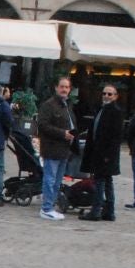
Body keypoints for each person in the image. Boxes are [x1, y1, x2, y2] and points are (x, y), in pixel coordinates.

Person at [79, 82, 124, 220]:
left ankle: (97, 210)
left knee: (100, 181)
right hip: (98, 152)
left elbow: (116, 136)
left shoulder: (115, 111)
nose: (106, 96)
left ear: (115, 96)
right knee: (106, 181)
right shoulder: (101, 109)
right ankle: (109, 211)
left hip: (105, 154)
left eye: (110, 94)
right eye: (104, 93)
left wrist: (108, 155)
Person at [35, 75, 76, 220]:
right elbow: (42, 125)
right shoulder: (49, 105)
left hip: (64, 150)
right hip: (52, 149)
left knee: (57, 181)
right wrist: (63, 133)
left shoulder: (67, 106)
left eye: (67, 87)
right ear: (56, 88)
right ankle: (46, 208)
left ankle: (50, 206)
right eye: (62, 87)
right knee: (50, 179)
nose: (64, 89)